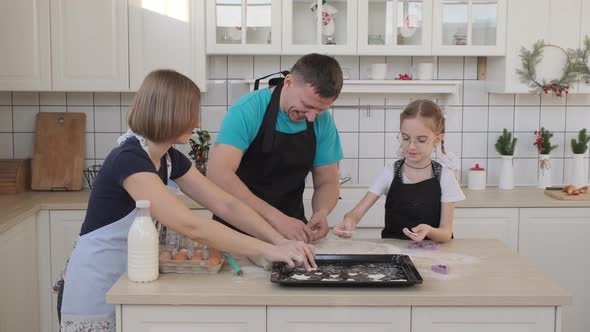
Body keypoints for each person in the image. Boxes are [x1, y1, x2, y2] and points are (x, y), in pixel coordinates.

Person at [58, 70, 316, 331]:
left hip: (131, 279)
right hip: (96, 286)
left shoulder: (169, 158)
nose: (197, 121)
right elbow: (192, 226)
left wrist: (278, 240)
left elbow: (226, 204)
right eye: (193, 111)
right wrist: (268, 250)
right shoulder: (128, 159)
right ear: (172, 113)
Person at [207, 53, 344, 243]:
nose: (312, 116)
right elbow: (218, 173)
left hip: (290, 233)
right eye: (307, 105)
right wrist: (275, 218)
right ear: (288, 82)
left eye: (320, 110)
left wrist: (322, 211)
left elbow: (327, 181)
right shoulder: (248, 109)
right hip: (237, 232)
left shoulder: (324, 122)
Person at [333, 99, 465, 242]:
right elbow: (356, 214)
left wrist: (429, 231)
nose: (411, 147)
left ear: (438, 139)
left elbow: (445, 233)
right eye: (406, 138)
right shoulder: (389, 173)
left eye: (421, 140)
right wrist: (349, 221)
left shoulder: (445, 177)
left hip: (433, 256)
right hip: (393, 255)